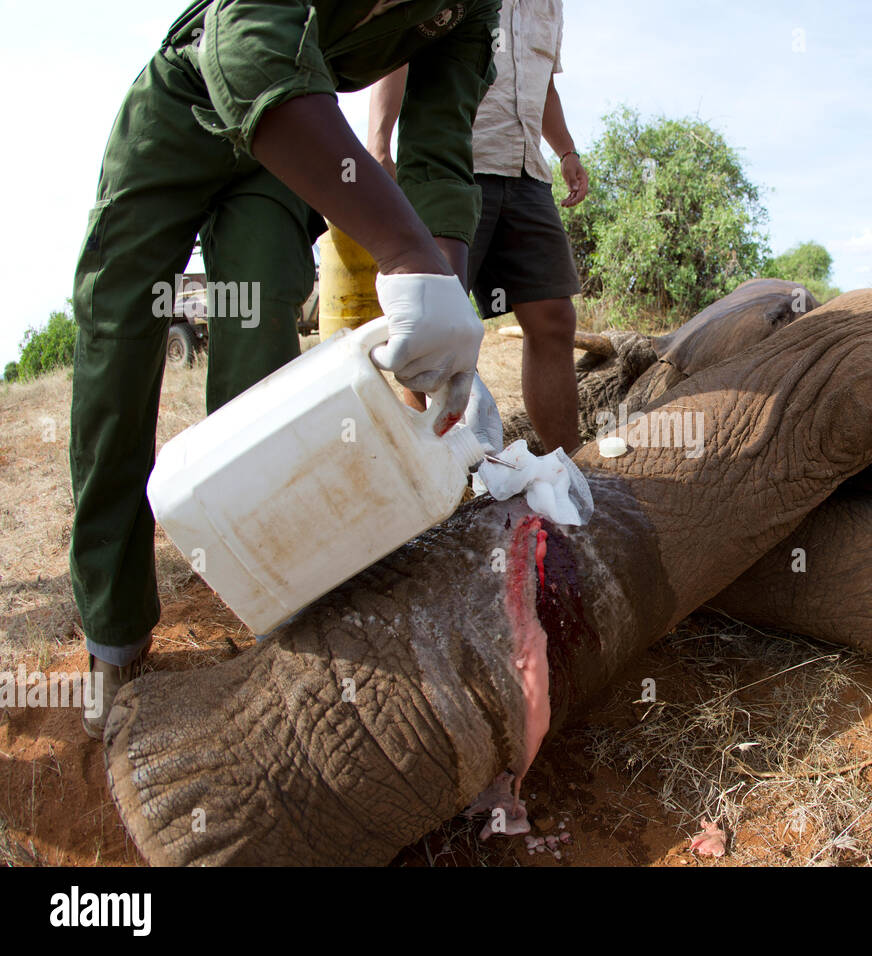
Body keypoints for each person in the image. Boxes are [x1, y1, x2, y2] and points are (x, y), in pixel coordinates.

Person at [71, 0, 502, 739]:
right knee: (120, 339)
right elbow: (251, 46)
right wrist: (404, 253)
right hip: (190, 108)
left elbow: (438, 146)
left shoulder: (474, 7)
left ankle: (270, 598)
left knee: (259, 340)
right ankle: (115, 633)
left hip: (279, 163)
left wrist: (443, 297)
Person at [369, 0, 587, 453]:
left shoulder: (550, 7)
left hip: (527, 173)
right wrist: (378, 142)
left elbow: (544, 88)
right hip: (452, 166)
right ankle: (425, 469)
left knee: (554, 317)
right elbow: (399, 48)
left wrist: (566, 151)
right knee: (431, 322)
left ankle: (567, 469)